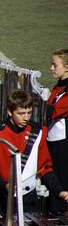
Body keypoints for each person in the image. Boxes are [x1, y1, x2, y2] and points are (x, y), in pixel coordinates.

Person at [0, 90, 68, 213]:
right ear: (10, 112)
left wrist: (59, 191)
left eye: (29, 113)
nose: (26, 118)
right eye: (21, 113)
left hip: (29, 198)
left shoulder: (38, 132)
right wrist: (5, 185)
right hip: (0, 198)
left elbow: (45, 168)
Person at [45, 49, 68, 212]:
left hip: (63, 144)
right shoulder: (58, 86)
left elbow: (52, 111)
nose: (51, 68)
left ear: (66, 67)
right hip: (53, 141)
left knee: (62, 182)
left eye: (55, 65)